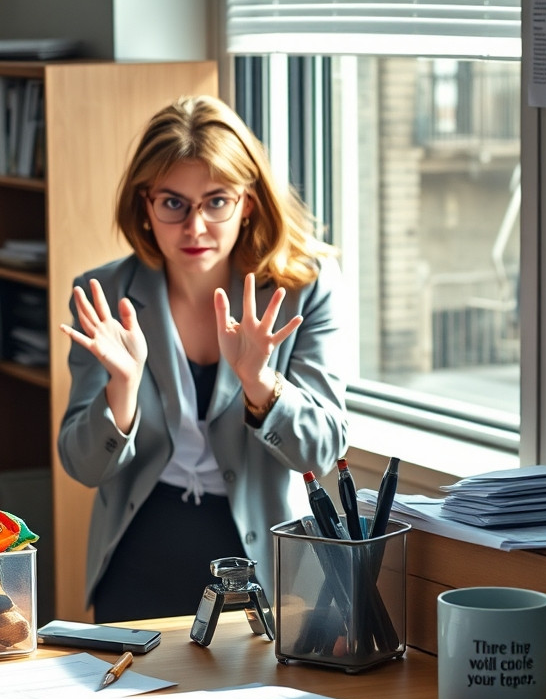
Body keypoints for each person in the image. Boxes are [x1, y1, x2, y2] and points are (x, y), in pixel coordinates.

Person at [57, 95, 347, 623]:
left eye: (216, 202)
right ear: (145, 204)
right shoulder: (105, 292)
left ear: (248, 203)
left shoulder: (305, 288)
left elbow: (321, 451)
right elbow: (83, 464)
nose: (195, 228)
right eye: (173, 203)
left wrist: (261, 385)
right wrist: (121, 390)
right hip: (139, 553)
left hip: (262, 559)